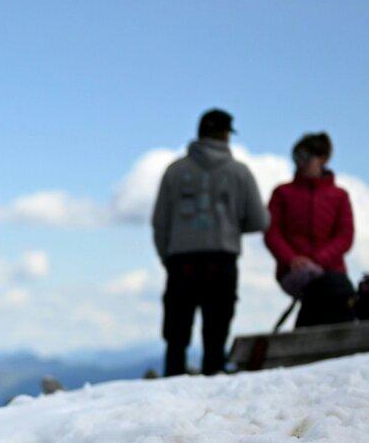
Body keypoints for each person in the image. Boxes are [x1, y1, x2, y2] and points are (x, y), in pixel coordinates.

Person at [151, 108, 269, 376]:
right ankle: (211, 389)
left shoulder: (174, 171)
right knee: (215, 336)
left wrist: (167, 257)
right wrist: (231, 225)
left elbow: (160, 222)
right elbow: (260, 220)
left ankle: (171, 387)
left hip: (181, 261)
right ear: (226, 134)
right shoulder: (240, 172)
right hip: (221, 258)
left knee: (177, 337)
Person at [265, 132, 355, 326]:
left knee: (331, 290)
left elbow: (345, 236)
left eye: (305, 157)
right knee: (327, 289)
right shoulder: (282, 193)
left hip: (331, 272)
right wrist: (292, 260)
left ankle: (307, 341)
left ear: (322, 159)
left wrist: (317, 260)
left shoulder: (339, 196)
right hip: (292, 271)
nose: (300, 163)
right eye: (296, 157)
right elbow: (271, 233)